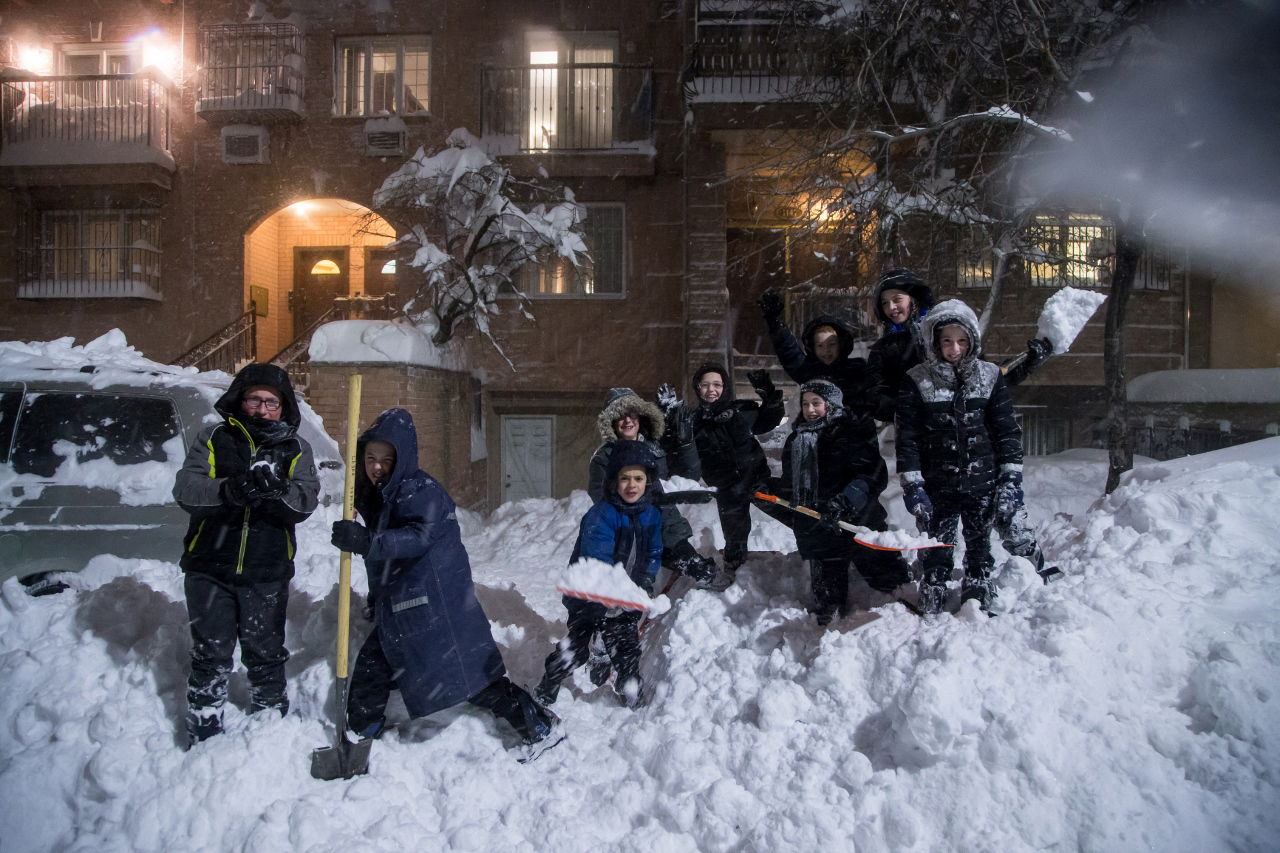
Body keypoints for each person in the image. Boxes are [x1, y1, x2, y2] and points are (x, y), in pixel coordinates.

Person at [330, 408, 564, 763]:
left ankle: (541, 729)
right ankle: (366, 735)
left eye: (386, 459)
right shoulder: (382, 495)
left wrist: (368, 541)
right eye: (371, 458)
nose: (377, 466)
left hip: (433, 608)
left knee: (476, 682)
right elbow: (384, 563)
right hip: (405, 607)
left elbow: (417, 537)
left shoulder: (421, 491)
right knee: (374, 669)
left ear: (403, 458)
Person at [868, 268, 1057, 580]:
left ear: (912, 299)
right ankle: (934, 578)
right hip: (934, 452)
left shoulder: (949, 325)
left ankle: (1033, 572)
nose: (891, 308)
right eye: (885, 303)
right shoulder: (885, 350)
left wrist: (1028, 365)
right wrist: (913, 407)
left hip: (976, 444)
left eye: (897, 299)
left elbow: (991, 379)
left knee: (1003, 516)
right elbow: (872, 398)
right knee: (936, 530)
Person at [173, 363, 320, 747]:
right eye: (254, 399)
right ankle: (204, 727)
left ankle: (268, 727)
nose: (261, 408)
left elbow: (305, 502)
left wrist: (277, 493)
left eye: (271, 402)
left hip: (266, 571)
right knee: (210, 653)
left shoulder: (295, 449)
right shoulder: (214, 437)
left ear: (283, 407)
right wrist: (229, 490)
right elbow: (187, 489)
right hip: (209, 567)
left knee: (266, 651)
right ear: (240, 400)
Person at [895, 300, 1025, 615]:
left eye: (962, 340)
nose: (954, 348)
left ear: (972, 341)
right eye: (947, 341)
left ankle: (978, 590)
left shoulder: (990, 376)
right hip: (938, 483)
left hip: (983, 480)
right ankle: (934, 592)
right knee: (937, 545)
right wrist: (913, 485)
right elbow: (908, 438)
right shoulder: (917, 379)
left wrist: (1010, 478)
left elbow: (1006, 430)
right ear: (935, 342)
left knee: (980, 542)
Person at [767, 379, 910, 624]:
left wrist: (846, 500)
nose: (810, 410)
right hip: (820, 525)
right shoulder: (796, 441)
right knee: (827, 584)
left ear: (831, 405)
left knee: (884, 576)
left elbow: (872, 474)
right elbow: (791, 485)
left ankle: (902, 597)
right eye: (805, 404)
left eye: (817, 403)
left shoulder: (850, 432)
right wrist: (769, 488)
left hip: (856, 518)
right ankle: (830, 608)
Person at [535, 440, 663, 709]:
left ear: (648, 481)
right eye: (624, 478)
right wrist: (613, 594)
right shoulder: (601, 515)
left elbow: (653, 551)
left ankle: (630, 691)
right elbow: (596, 561)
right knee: (576, 647)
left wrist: (645, 582)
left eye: (638, 478)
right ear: (614, 481)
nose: (632, 485)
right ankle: (547, 687)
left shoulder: (651, 515)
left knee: (626, 647)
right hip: (589, 595)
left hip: (625, 596)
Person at [672, 363, 784, 585]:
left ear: (725, 386)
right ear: (697, 388)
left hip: (756, 481)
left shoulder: (740, 411)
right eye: (705, 385)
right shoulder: (694, 422)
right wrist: (672, 421)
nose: (711, 390)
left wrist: (769, 395)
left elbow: (768, 420)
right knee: (734, 533)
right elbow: (682, 457)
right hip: (728, 488)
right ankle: (735, 569)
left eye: (717, 384)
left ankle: (810, 553)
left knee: (791, 511)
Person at [587, 388, 714, 584]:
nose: (627, 421)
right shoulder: (604, 457)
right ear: (611, 422)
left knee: (697, 568)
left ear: (640, 416)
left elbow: (689, 474)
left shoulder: (655, 446)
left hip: (667, 526)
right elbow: (601, 496)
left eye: (631, 414)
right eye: (620, 416)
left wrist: (685, 442)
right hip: (631, 533)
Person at [757, 288, 876, 418]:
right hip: (816, 433)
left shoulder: (856, 371)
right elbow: (789, 353)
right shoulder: (809, 371)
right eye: (820, 345)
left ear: (841, 345)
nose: (826, 351)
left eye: (832, 345)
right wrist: (775, 324)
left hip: (849, 434)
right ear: (812, 347)